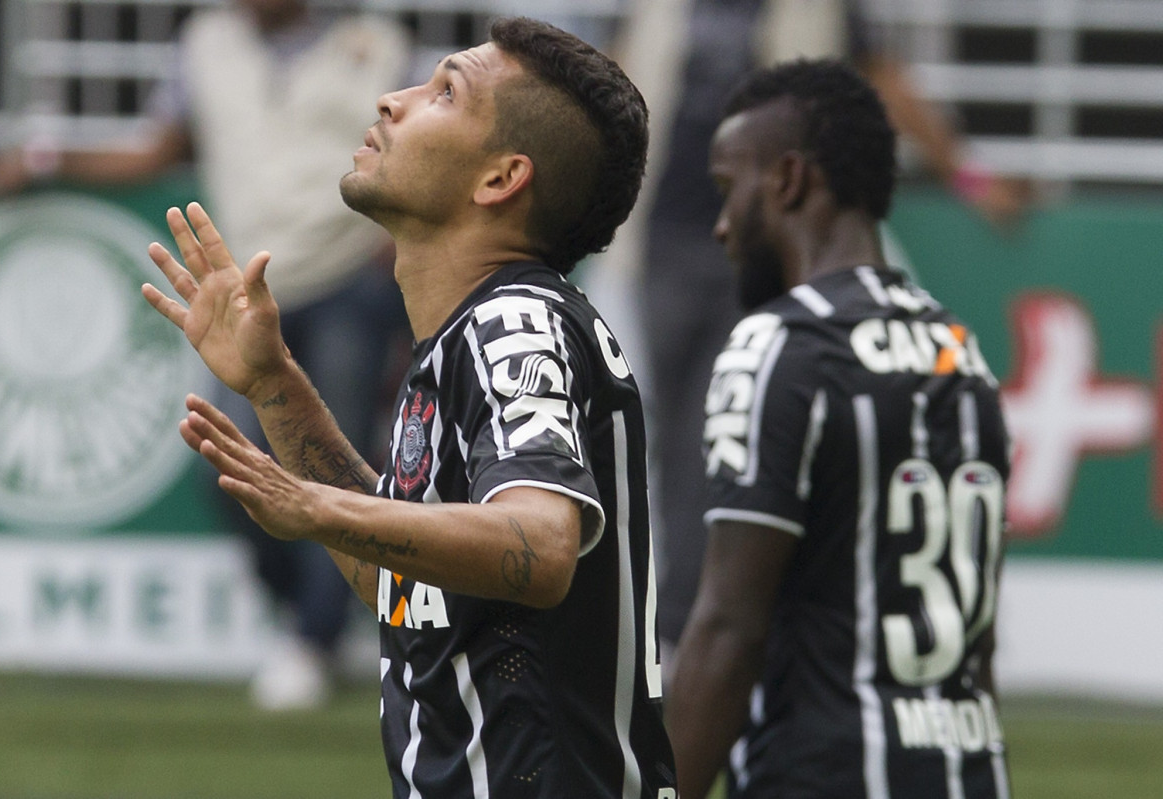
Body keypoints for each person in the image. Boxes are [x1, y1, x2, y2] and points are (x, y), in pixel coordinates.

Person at [141, 16, 676, 798]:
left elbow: (541, 541)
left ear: (500, 179)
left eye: (444, 92)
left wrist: (317, 506)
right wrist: (275, 383)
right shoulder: (475, 330)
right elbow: (409, 589)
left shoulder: (512, 323)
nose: (394, 100)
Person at [0, 0, 413, 709]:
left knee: (333, 468)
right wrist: (46, 161)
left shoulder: (380, 43)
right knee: (227, 458)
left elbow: (420, 159)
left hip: (346, 281)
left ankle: (313, 636)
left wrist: (397, 248)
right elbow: (154, 147)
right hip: (244, 288)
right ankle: (311, 619)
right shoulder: (205, 42)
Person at [613, 0, 1024, 669]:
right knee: (686, 442)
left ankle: (731, 619)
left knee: (751, 435)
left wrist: (970, 176)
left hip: (774, 247)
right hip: (661, 243)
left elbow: (879, 83)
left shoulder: (821, 8)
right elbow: (614, 85)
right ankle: (693, 620)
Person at [666, 59, 1011, 798]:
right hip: (969, 772)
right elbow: (977, 635)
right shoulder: (963, 351)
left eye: (731, 190)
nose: (723, 225)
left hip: (821, 770)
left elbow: (729, 628)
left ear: (788, 181)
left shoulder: (776, 346)